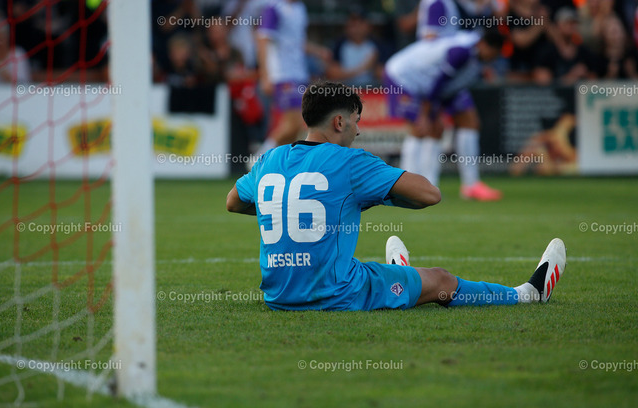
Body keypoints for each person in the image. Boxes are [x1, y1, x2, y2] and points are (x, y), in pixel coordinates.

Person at [226, 81, 566, 311]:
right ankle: (528, 294)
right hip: (335, 294)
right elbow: (429, 194)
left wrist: (283, 208)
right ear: (340, 122)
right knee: (442, 280)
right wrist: (375, 195)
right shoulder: (349, 162)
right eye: (357, 121)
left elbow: (233, 202)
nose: (359, 129)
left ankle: (399, 275)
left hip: (279, 297)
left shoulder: (269, 159)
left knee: (368, 270)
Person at [385, 30, 504, 201]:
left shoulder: (475, 52)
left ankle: (433, 186)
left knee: (453, 125)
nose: (495, 58)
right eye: (495, 53)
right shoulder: (461, 51)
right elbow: (438, 81)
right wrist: (426, 114)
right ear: (485, 45)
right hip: (403, 76)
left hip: (429, 84)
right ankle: (404, 187)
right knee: (420, 128)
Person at [254, 0, 330, 159]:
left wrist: (318, 51)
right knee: (293, 123)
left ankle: (282, 163)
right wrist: (265, 75)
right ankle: (260, 158)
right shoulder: (274, 7)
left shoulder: (300, 8)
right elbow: (262, 40)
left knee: (296, 127)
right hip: (282, 73)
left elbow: (297, 41)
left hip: (299, 73)